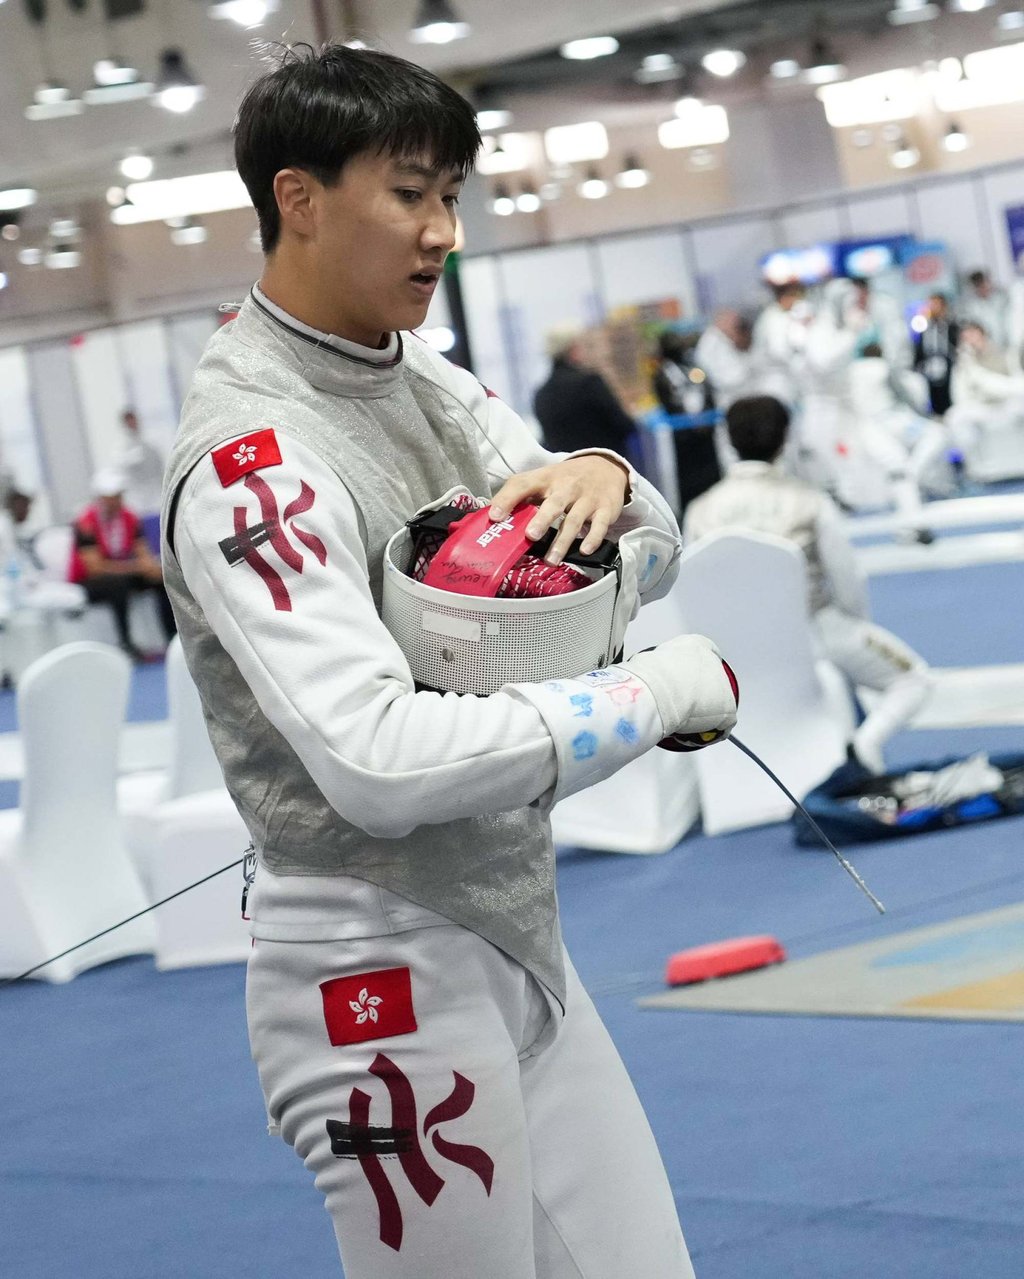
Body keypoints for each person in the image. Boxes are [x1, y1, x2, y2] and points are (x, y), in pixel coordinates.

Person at [160, 44, 738, 1279]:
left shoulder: (417, 373)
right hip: (375, 971)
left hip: (512, 931)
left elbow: (642, 554)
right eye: (410, 193)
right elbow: (374, 760)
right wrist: (649, 697)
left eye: (451, 197)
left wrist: (609, 480)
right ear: (299, 199)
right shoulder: (249, 460)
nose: (443, 232)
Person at [684, 395, 934, 774]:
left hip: (738, 649)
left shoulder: (700, 510)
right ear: (785, 438)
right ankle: (863, 744)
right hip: (815, 631)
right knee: (914, 679)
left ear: (729, 440)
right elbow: (847, 577)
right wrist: (855, 625)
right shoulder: (810, 501)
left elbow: (695, 588)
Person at [70, 469, 176, 660]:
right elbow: (95, 568)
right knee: (117, 585)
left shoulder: (130, 518)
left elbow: (142, 552)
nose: (115, 501)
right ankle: (126, 643)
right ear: (100, 498)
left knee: (161, 578)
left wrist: (151, 567)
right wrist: (137, 567)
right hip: (89, 580)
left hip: (122, 572)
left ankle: (173, 638)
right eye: (110, 497)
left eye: (118, 495)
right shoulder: (85, 523)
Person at [532, 324, 637, 456]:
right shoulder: (589, 383)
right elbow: (624, 426)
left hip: (567, 472)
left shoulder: (541, 395)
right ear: (573, 350)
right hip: (605, 468)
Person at [651, 328, 722, 518]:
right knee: (691, 482)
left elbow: (708, 392)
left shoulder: (694, 368)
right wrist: (690, 423)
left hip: (705, 434)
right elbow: (668, 401)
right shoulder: (662, 374)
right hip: (684, 438)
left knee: (712, 477)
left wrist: (705, 421)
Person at [117, 408, 166, 554]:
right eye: (129, 421)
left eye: (134, 419)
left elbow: (160, 469)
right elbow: (122, 474)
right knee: (143, 544)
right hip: (136, 503)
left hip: (156, 500)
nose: (132, 423)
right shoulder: (121, 449)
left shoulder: (151, 442)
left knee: (160, 540)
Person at [912, 293, 959, 416]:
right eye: (930, 304)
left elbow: (955, 345)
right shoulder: (924, 326)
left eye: (935, 304)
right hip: (930, 366)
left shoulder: (951, 325)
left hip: (948, 366)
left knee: (950, 397)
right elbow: (919, 347)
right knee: (933, 399)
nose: (932, 307)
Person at [958, 269, 1010, 352]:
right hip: (987, 348)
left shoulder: (1003, 297)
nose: (983, 288)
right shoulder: (971, 307)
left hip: (1008, 343)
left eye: (984, 283)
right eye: (978, 286)